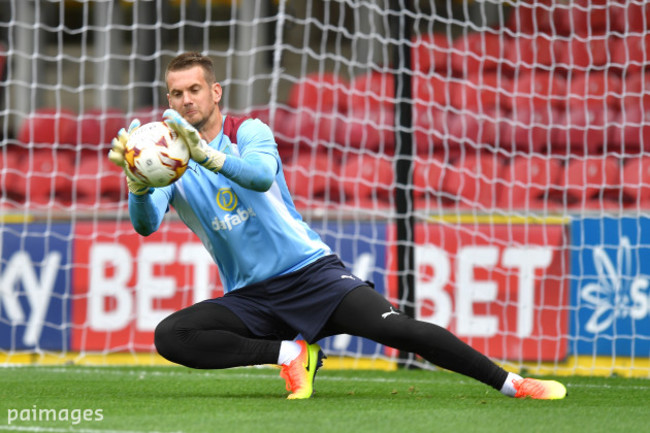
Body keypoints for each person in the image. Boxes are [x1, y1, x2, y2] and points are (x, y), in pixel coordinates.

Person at [108, 51, 567, 400]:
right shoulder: (168, 163)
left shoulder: (250, 132)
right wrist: (138, 185)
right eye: (176, 93)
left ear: (215, 92)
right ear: (167, 99)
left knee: (402, 331)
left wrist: (207, 155)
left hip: (312, 276)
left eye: (194, 90)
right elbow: (146, 225)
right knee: (172, 336)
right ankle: (291, 355)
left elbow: (259, 175)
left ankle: (514, 384)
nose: (185, 100)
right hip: (251, 298)